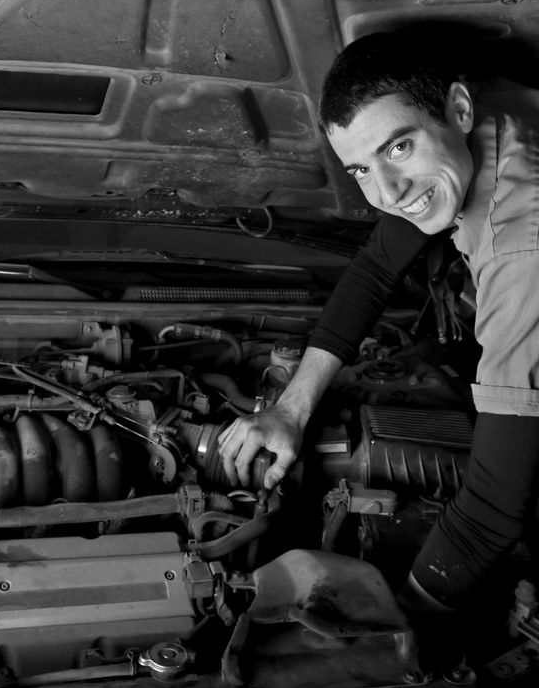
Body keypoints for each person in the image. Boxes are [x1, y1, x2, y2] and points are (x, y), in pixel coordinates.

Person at [217, 31, 539, 616]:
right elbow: (375, 267)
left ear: (459, 109)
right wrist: (292, 408)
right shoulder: (465, 131)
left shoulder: (522, 252)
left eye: (398, 148)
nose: (386, 193)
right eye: (361, 169)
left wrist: (402, 627)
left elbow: (492, 508)